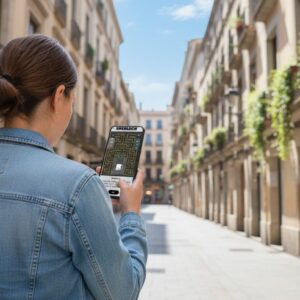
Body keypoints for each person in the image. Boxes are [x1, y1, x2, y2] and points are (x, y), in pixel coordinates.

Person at [0, 35, 147, 300]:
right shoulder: (77, 186)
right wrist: (131, 213)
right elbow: (123, 292)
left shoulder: (78, 186)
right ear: (58, 96)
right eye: (73, 100)